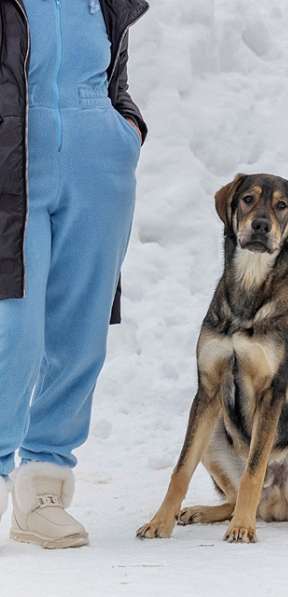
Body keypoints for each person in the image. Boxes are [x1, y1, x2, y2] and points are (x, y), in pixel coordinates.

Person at [0, 0, 149, 548]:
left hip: (98, 167)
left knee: (79, 333)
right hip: (13, 159)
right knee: (13, 330)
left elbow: (114, 76)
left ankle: (44, 484)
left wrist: (126, 129)